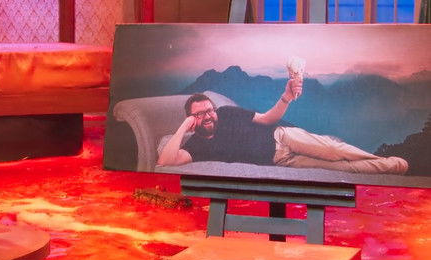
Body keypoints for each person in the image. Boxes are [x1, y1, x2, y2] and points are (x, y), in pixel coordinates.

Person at [157, 78, 408, 174]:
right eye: (200, 114)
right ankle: (391, 167)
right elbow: (164, 163)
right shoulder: (196, 146)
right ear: (191, 119)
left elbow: (267, 119)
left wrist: (286, 97)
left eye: (209, 109)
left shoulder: (227, 113)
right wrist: (183, 128)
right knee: (340, 168)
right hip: (281, 161)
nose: (209, 115)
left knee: (334, 150)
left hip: (282, 138)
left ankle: (383, 160)